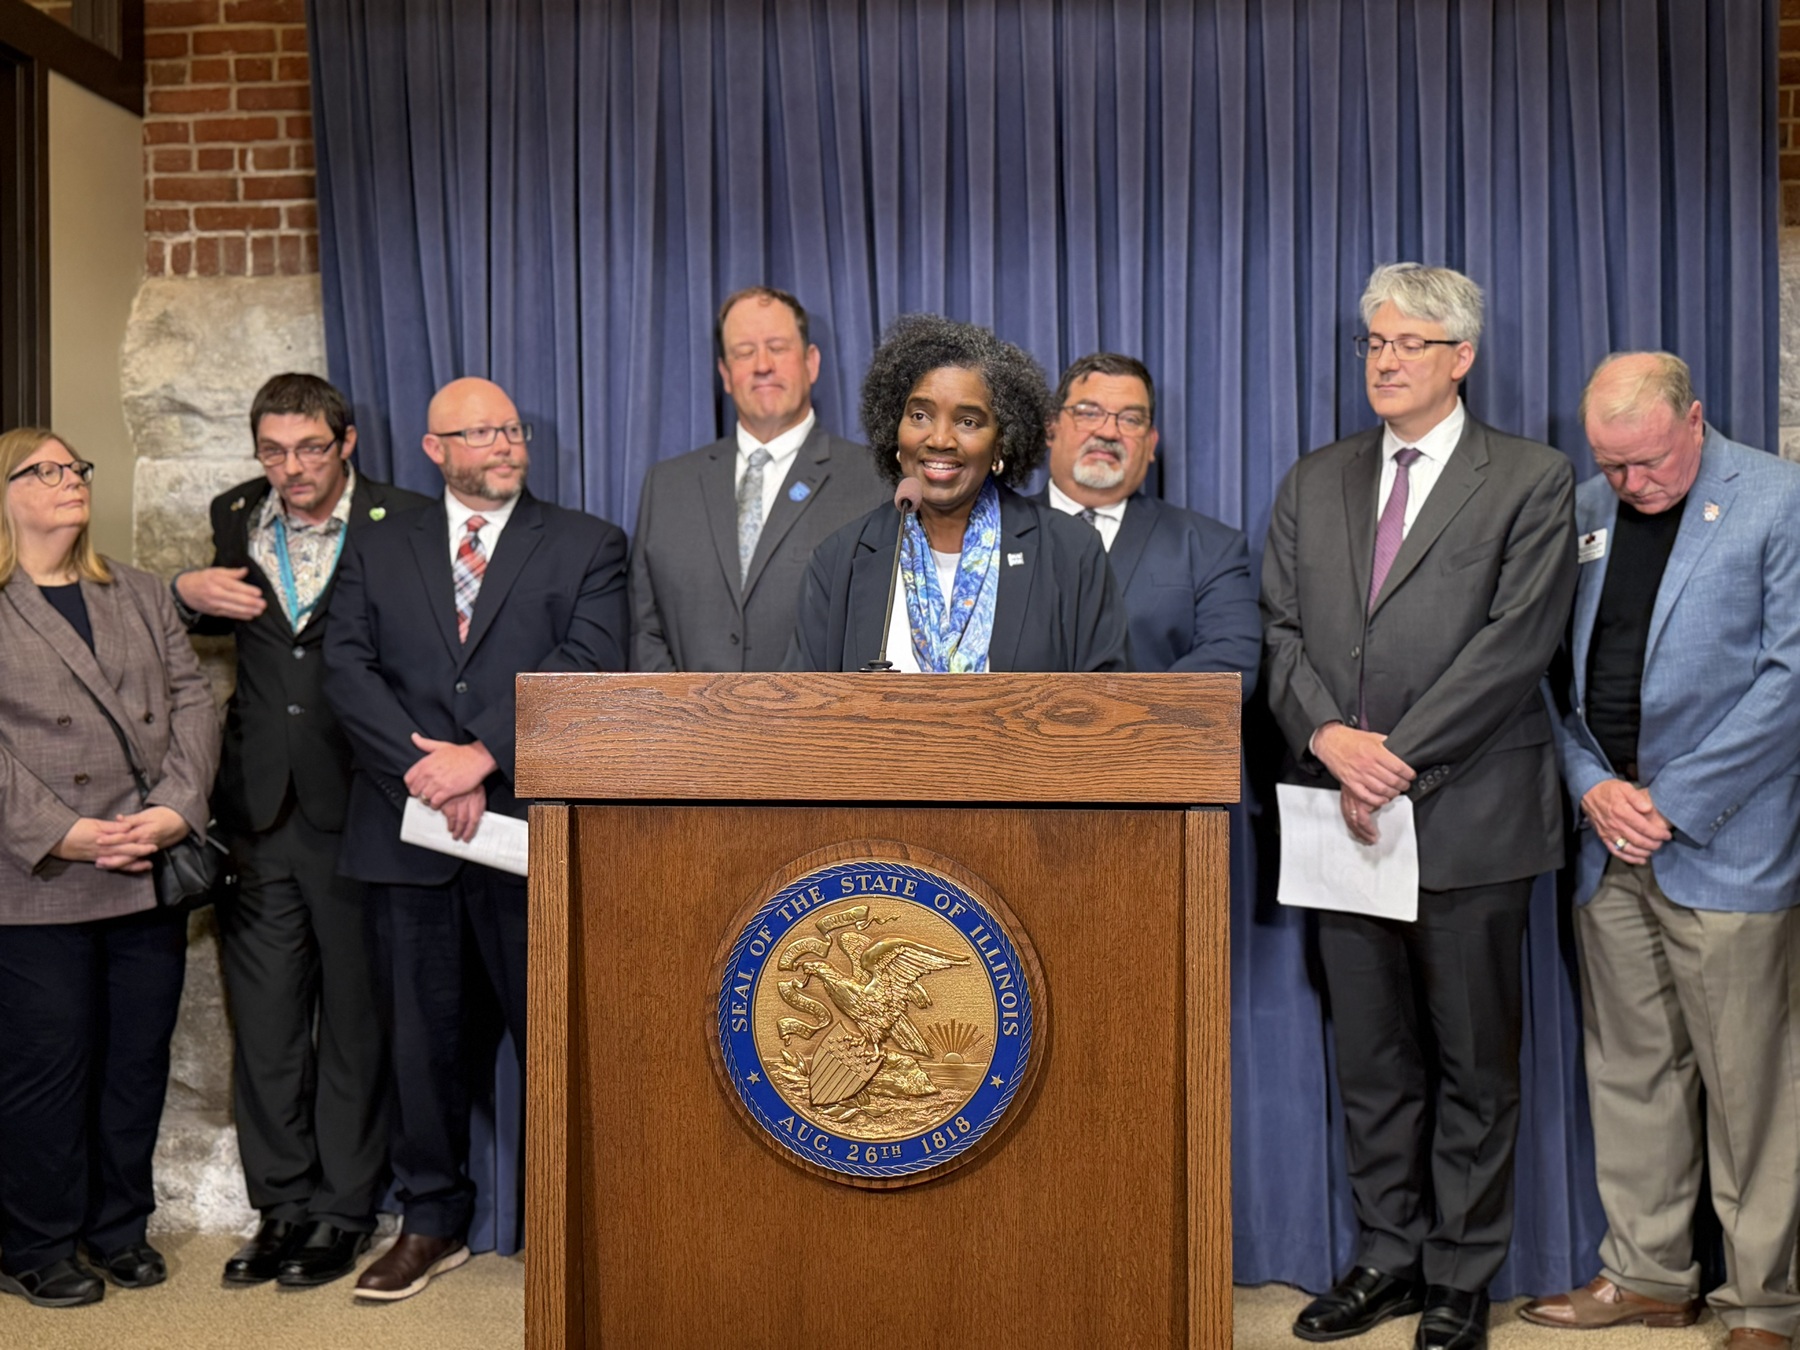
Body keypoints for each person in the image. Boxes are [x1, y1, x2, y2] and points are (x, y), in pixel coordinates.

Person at [1261, 264, 1577, 1350]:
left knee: (1475, 1063)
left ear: (1462, 358)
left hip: (1471, 815)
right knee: (1373, 1058)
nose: (1385, 361)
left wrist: (1396, 760)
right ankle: (1386, 1257)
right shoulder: (1315, 481)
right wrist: (1329, 740)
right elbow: (1281, 637)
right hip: (1340, 819)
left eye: (1408, 344)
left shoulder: (1532, 481)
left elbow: (1515, 647)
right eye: (1373, 344)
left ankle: (1461, 1276)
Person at [324, 377, 628, 1301]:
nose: (504, 444)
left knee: (553, 1039)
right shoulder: (376, 548)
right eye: (480, 432)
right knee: (420, 1045)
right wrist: (425, 773)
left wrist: (479, 759)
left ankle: (565, 1229)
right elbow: (346, 666)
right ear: (432, 448)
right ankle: (431, 1222)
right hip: (407, 833)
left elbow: (586, 664)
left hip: (530, 833)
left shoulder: (588, 544)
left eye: (511, 429)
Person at [1525, 353, 1800, 1349]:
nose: (1629, 485)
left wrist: (1671, 804)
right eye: (1611, 465)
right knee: (1631, 1075)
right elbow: (1545, 673)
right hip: (1608, 841)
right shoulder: (1589, 509)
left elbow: (1790, 680)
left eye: (1644, 464)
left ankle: (1765, 1303)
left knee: (1751, 1088)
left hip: (1729, 845)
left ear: (1694, 423)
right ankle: (1648, 1273)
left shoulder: (1778, 500)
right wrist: (1592, 787)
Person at [172, 374, 429, 1288]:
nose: (292, 468)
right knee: (269, 1025)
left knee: (356, 1023)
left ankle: (343, 1213)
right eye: (274, 451)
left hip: (361, 804)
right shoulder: (234, 512)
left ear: (346, 442)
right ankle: (280, 1208)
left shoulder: (405, 519)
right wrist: (182, 588)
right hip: (254, 807)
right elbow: (215, 621)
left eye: (310, 448)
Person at [0, 428, 220, 1307]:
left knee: (136, 1063)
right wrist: (66, 833)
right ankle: (36, 1240)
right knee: (46, 1070)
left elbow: (193, 698)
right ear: (7, 494)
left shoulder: (134, 590)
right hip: (34, 875)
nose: (69, 481)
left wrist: (174, 811)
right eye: (45, 470)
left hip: (146, 864)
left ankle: (117, 1227)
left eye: (75, 468)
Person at [791, 313, 1128, 673]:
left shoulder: (1071, 552)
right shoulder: (840, 559)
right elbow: (803, 707)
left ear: (1001, 444)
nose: (939, 439)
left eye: (968, 422)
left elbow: (1108, 701)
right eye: (920, 415)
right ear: (895, 432)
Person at [630, 286, 888, 670]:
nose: (762, 364)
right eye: (744, 352)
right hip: (683, 728)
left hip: (816, 727)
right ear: (725, 374)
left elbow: (879, 631)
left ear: (811, 362)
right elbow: (645, 631)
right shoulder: (667, 486)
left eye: (778, 347)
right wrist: (680, 725)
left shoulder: (874, 482)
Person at [1038, 352, 1259, 686]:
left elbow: (1229, 666)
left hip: (1161, 737)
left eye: (1130, 419)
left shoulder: (1211, 548)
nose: (1108, 431)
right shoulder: (991, 534)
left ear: (1151, 442)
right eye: (1088, 413)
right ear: (1051, 428)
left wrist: (1117, 723)